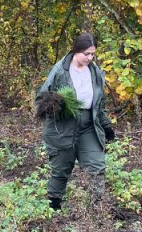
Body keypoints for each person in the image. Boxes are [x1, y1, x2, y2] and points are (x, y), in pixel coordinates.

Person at [35, 32, 115, 211]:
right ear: (76, 51)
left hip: (88, 126)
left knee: (96, 166)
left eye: (92, 54)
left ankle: (97, 209)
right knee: (61, 169)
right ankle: (53, 208)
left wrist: (106, 125)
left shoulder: (95, 73)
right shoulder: (60, 71)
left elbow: (99, 104)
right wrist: (56, 104)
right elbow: (41, 100)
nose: (90, 57)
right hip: (63, 126)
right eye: (86, 53)